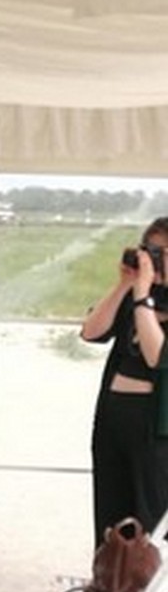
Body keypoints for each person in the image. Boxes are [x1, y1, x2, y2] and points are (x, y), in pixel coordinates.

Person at [81, 218, 168, 545]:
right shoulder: (139, 296)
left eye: (164, 252)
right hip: (113, 421)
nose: (156, 260)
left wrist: (142, 298)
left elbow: (157, 357)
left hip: (156, 432)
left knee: (153, 514)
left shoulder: (144, 300)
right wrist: (124, 285)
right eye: (151, 251)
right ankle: (115, 585)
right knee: (111, 516)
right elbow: (92, 331)